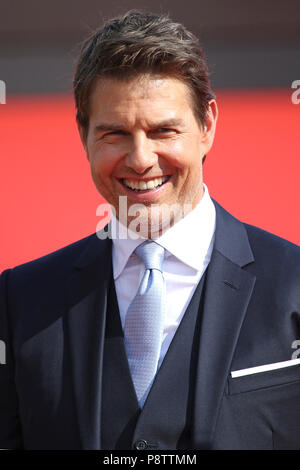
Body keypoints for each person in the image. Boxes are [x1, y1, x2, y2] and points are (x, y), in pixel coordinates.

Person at [1, 10, 300, 451]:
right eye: (115, 133)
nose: (140, 159)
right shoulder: (19, 300)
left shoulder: (293, 285)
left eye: (163, 130)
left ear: (207, 125)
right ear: (83, 133)